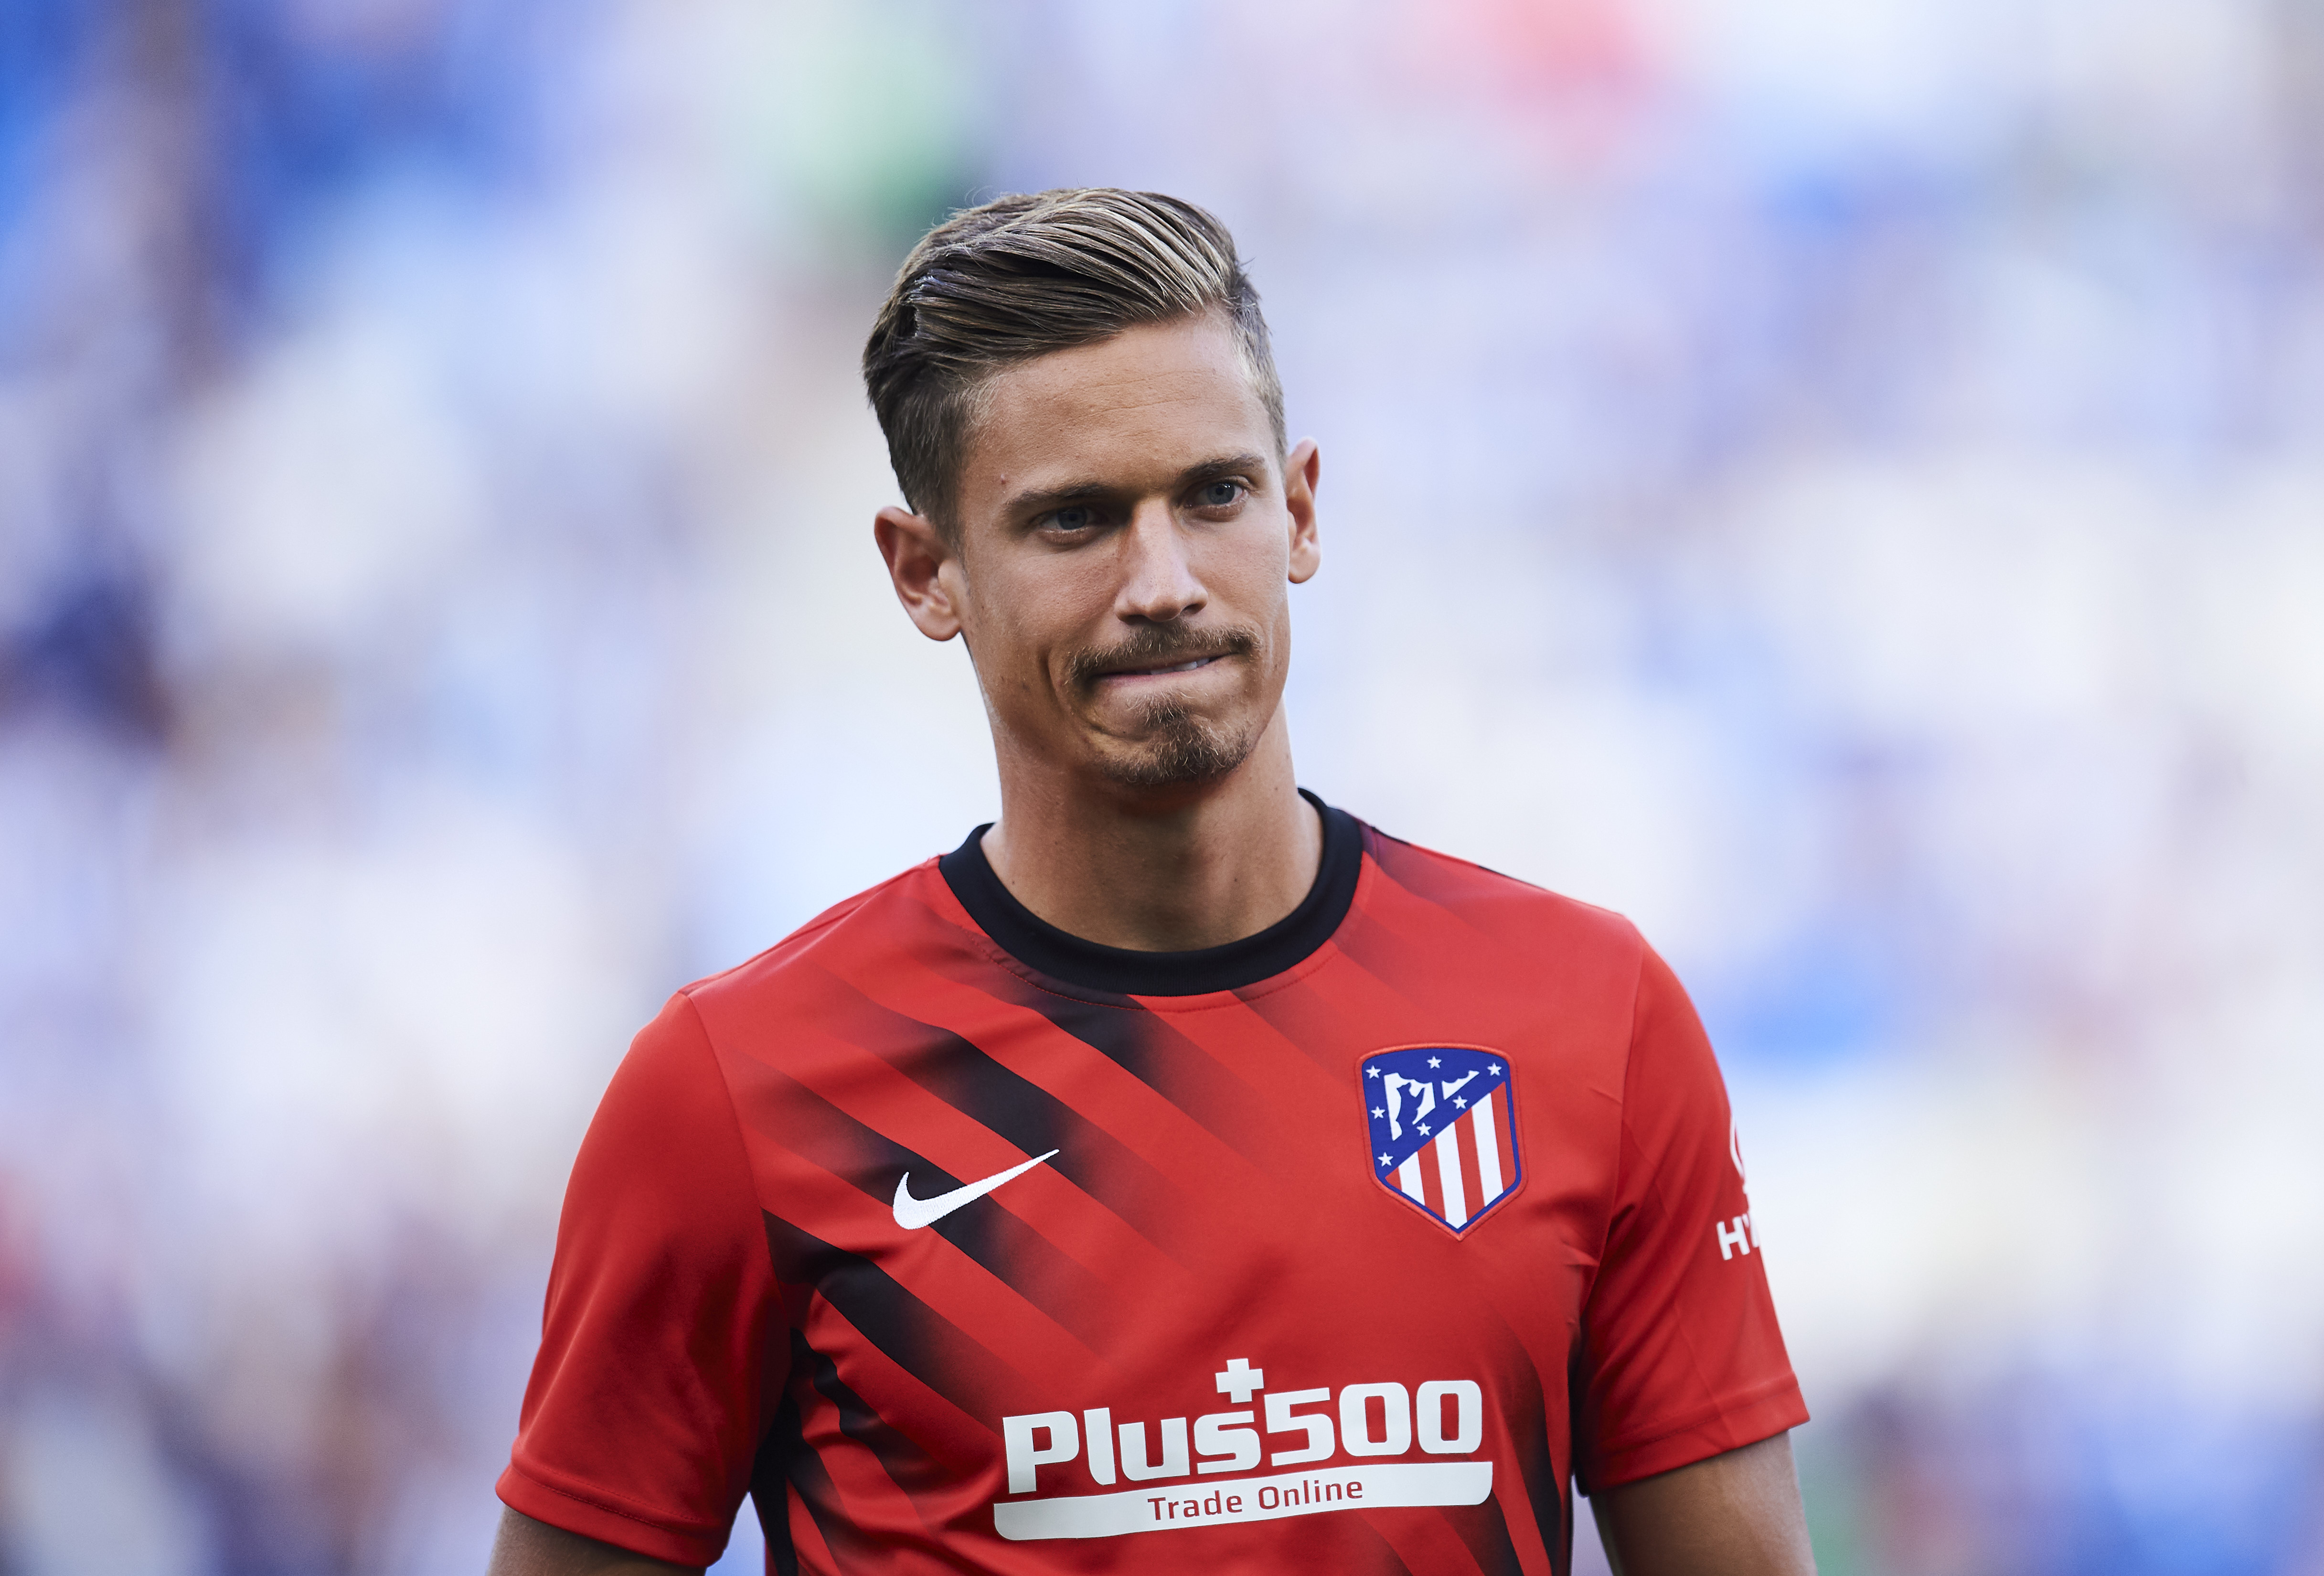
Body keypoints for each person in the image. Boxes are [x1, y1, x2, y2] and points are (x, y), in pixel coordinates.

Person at [487, 189, 1814, 1576]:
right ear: (925, 570)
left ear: (1299, 509)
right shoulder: (736, 1094)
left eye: (1214, 494)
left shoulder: (1587, 1019)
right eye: (1075, 521)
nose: (1165, 580)